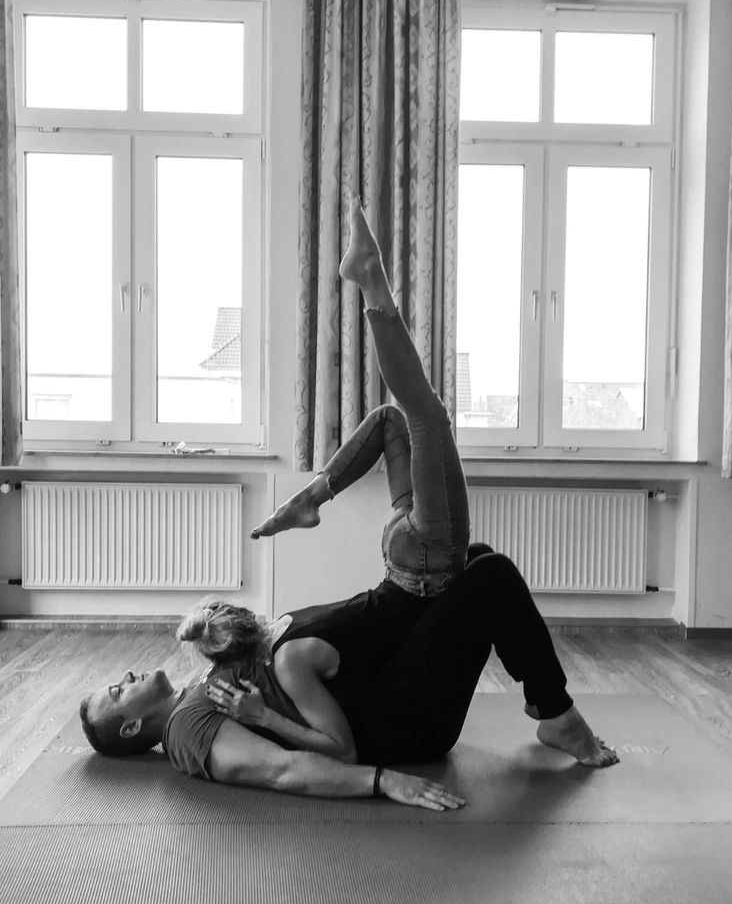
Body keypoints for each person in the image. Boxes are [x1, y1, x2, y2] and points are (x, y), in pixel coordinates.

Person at [79, 200, 618, 812]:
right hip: (405, 726)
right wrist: (384, 781)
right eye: (113, 695)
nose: (120, 680)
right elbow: (285, 771)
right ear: (129, 728)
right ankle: (371, 284)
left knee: (461, 529)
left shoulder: (208, 680)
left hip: (393, 654)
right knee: (434, 449)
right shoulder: (188, 732)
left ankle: (550, 707)